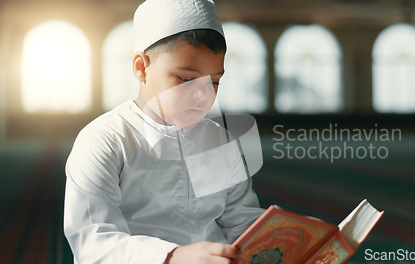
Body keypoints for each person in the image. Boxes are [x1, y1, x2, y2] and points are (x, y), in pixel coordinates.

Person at [63, 0, 264, 263]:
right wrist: (172, 257)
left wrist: (292, 237)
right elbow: (93, 242)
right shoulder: (104, 140)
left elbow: (241, 222)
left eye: (214, 81)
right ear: (141, 68)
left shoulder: (219, 140)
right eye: (186, 79)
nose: (203, 94)